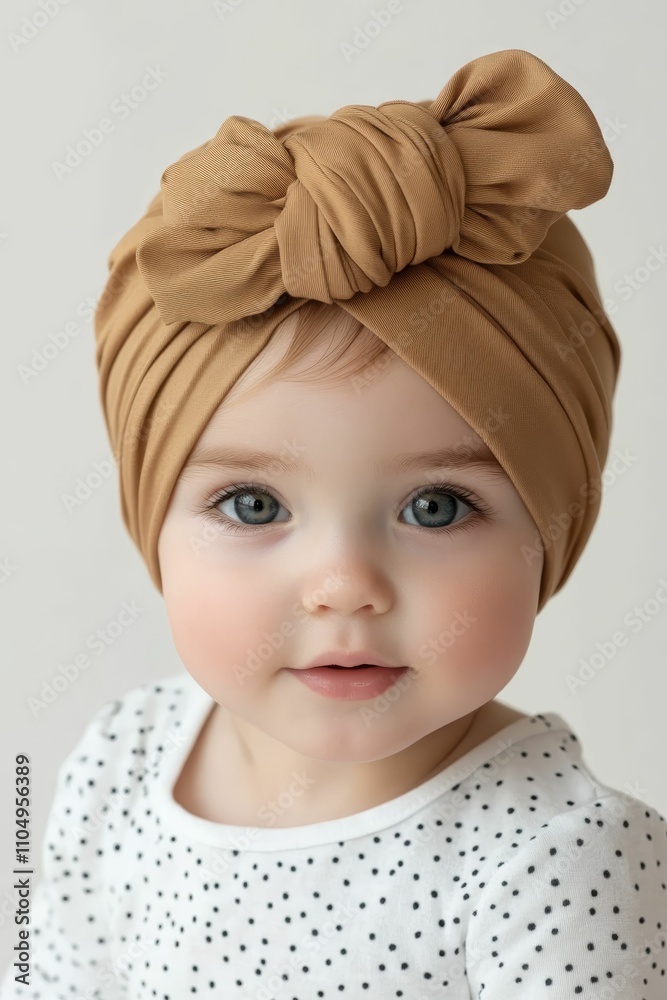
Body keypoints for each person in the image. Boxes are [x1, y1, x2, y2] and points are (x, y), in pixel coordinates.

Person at [3, 48, 665, 998]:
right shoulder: (120, 759)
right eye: (254, 505)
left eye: (434, 506)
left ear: (549, 525)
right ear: (153, 519)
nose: (344, 583)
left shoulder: (557, 864)